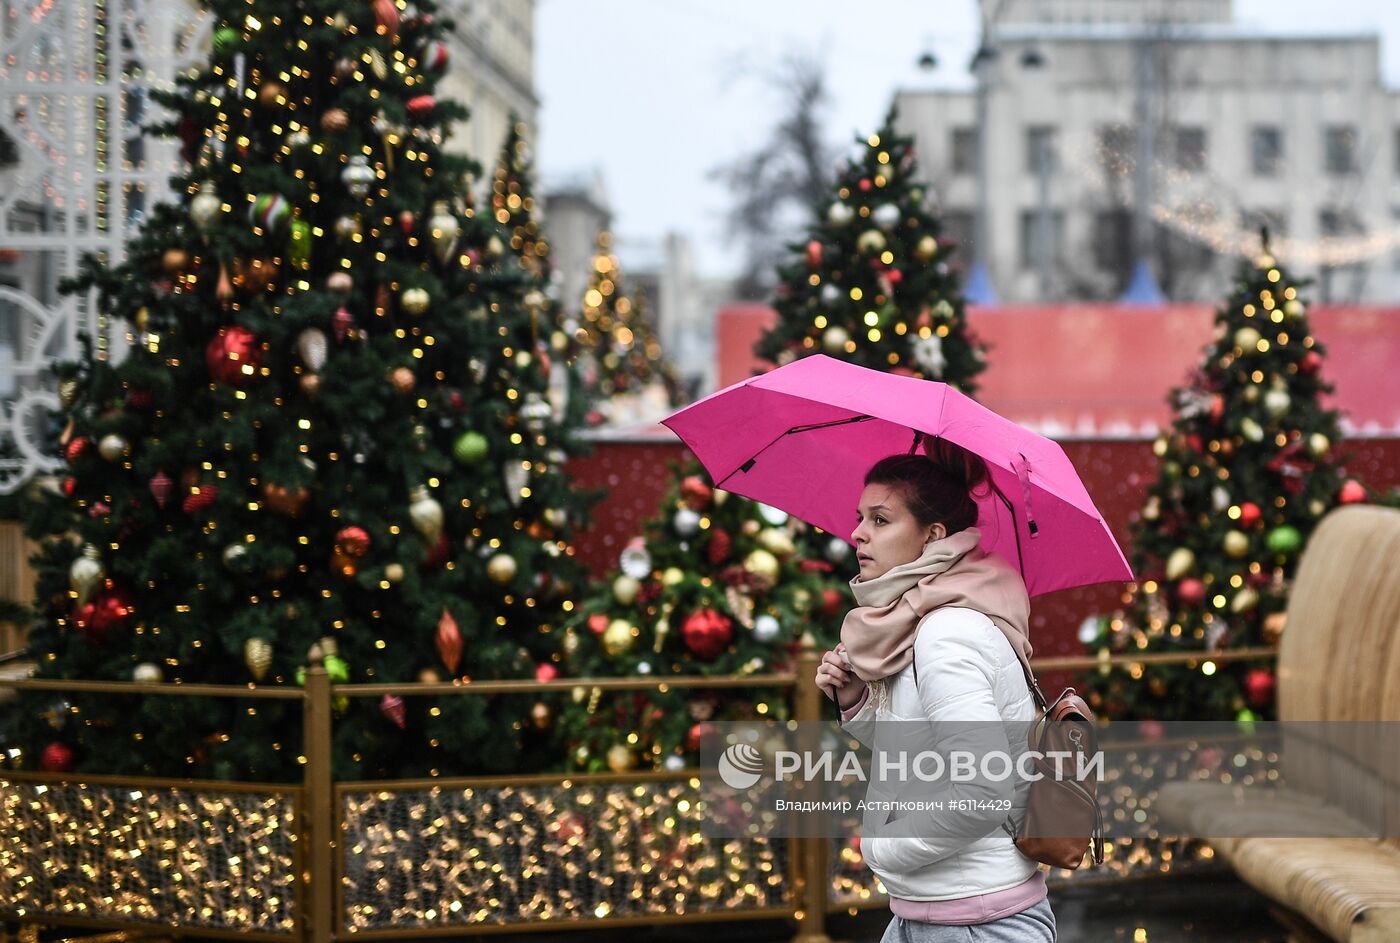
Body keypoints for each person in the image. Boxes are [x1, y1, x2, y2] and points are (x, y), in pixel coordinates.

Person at [814, 439, 1056, 942]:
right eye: (860, 517)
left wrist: (882, 848)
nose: (858, 534)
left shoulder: (947, 633)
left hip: (974, 924)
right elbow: (924, 754)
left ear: (933, 536)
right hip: (939, 914)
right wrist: (857, 698)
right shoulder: (927, 615)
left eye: (880, 520)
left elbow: (982, 792)